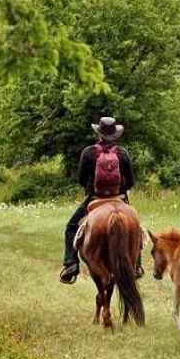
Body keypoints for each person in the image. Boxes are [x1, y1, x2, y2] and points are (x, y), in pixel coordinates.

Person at [59, 116, 136, 284]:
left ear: (99, 134)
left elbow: (81, 179)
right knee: (136, 228)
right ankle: (136, 265)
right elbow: (131, 181)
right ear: (116, 135)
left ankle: (71, 264)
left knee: (71, 227)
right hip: (119, 199)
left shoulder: (88, 152)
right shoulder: (122, 153)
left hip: (95, 198)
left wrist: (92, 189)